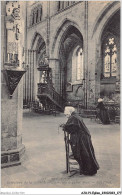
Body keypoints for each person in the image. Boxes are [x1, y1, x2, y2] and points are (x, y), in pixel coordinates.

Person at [63, 106, 99, 176]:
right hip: (84, 136)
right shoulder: (75, 116)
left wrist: (65, 127)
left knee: (84, 153)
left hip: (82, 138)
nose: (66, 116)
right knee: (86, 152)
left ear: (70, 112)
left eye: (67, 114)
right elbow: (73, 126)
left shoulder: (74, 117)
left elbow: (72, 127)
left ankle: (88, 170)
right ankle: (87, 169)